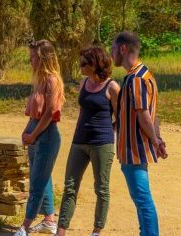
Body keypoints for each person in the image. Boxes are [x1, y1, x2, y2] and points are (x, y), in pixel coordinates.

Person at [56, 46, 120, 236]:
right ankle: (60, 231)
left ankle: (96, 231)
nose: (80, 66)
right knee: (69, 186)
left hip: (101, 144)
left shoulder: (112, 87)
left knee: (101, 188)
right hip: (79, 142)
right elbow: (83, 111)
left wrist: (108, 132)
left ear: (96, 64)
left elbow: (120, 117)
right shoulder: (84, 83)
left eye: (84, 63)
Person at [111, 31, 167, 236]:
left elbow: (144, 115)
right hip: (136, 149)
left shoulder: (135, 79)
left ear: (123, 49)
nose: (112, 54)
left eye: (113, 49)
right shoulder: (145, 75)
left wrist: (154, 139)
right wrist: (158, 139)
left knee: (143, 201)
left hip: (134, 151)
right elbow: (154, 115)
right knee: (142, 201)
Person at [14, 40, 65, 236]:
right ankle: (49, 220)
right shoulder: (40, 80)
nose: (30, 61)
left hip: (47, 135)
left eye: (33, 57)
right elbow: (35, 113)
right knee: (44, 179)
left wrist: (33, 134)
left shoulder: (53, 80)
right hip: (36, 132)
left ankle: (24, 227)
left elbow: (51, 112)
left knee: (36, 183)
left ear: (43, 58)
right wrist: (27, 131)